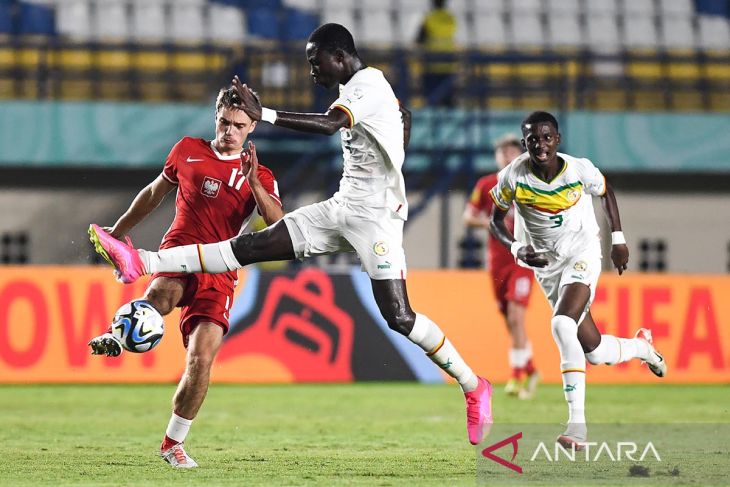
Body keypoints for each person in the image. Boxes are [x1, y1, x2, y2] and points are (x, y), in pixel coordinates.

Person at [88, 23, 493, 446]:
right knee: (252, 245)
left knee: (399, 317)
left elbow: (328, 125)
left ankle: (473, 385)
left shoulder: (367, 84)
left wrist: (263, 113)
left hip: (376, 220)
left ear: (338, 56)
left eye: (315, 62)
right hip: (341, 209)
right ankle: (141, 261)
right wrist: (395, 135)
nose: (312, 71)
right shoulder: (368, 91)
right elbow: (402, 116)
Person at [87, 86, 284, 468]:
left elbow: (279, 225)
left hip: (221, 269)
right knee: (158, 297)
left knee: (201, 359)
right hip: (178, 251)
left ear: (252, 127)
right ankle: (116, 335)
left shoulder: (262, 174)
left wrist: (254, 181)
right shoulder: (188, 150)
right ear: (216, 118)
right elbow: (152, 194)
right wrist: (118, 229)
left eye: (238, 125)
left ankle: (171, 444)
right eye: (224, 122)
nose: (229, 130)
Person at [488, 111, 666, 450]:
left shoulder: (578, 169)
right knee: (595, 351)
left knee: (562, 326)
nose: (539, 145)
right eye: (532, 139)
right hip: (547, 267)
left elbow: (605, 191)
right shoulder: (513, 176)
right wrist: (517, 249)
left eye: (546, 137)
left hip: (581, 253)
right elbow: (495, 221)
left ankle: (577, 427)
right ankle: (642, 346)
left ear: (557, 139)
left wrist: (617, 240)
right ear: (525, 142)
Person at [463, 135, 539, 399]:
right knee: (509, 319)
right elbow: (468, 218)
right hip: (497, 262)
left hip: (523, 260)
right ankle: (529, 367)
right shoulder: (486, 185)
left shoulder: (531, 183)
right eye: (502, 151)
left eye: (512, 151)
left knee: (517, 317)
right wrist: (492, 224)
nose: (506, 155)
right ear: (496, 156)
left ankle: (517, 376)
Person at [416, 0, 457, 107]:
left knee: (431, 98)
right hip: (448, 64)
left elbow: (419, 39)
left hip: (432, 64)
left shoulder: (429, 18)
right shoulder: (451, 18)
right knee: (447, 98)